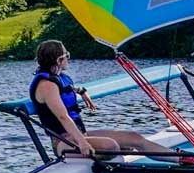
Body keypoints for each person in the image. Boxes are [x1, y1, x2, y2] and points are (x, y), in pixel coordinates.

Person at [29, 40, 179, 157]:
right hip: (64, 142)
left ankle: (182, 160)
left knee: (134, 138)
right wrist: (82, 143)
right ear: (59, 60)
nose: (68, 59)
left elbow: (65, 89)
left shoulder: (58, 78)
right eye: (66, 56)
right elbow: (62, 116)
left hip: (80, 135)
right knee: (111, 146)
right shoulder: (46, 85)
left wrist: (80, 91)